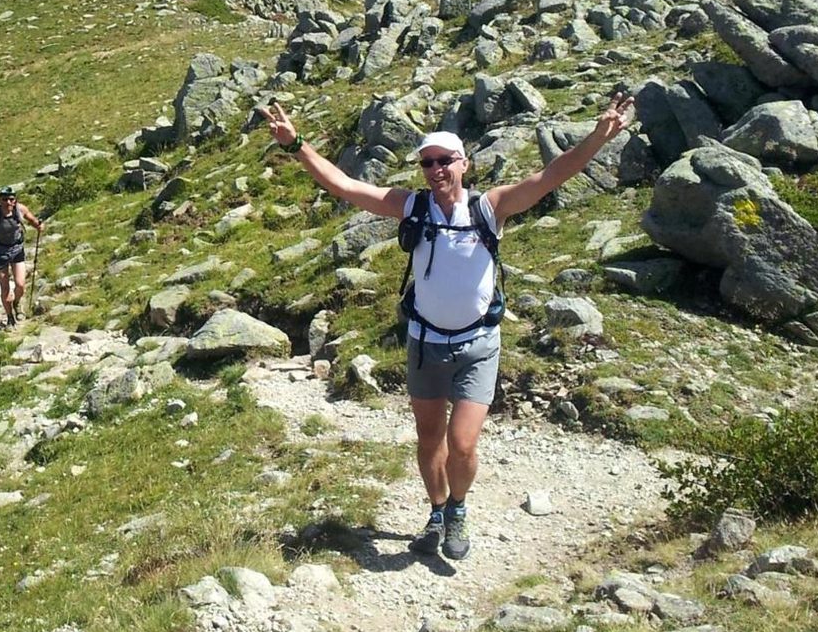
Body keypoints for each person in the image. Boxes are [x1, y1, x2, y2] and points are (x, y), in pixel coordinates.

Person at [264, 92, 634, 561]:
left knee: (462, 444)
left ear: (464, 163)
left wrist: (598, 137)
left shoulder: (490, 207)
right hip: (424, 343)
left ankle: (458, 508)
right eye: (427, 163)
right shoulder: (412, 206)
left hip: (478, 344)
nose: (436, 169)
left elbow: (552, 175)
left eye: (444, 161)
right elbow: (344, 186)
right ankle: (437, 510)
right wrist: (297, 145)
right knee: (428, 439)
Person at [0, 186, 43, 327]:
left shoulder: (20, 209)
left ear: (15, 200)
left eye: (11, 199)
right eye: (4, 199)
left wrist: (39, 226)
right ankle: (10, 317)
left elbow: (33, 220)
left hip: (17, 249)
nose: (8, 202)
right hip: (0, 252)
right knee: (5, 288)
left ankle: (16, 303)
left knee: (20, 285)